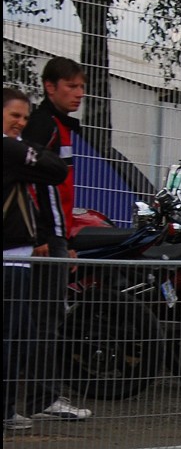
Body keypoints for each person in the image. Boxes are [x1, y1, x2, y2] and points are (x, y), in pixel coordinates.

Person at [23, 58, 92, 421]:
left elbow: (59, 191)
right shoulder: (43, 125)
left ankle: (37, 398)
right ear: (50, 87)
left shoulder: (58, 127)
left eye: (81, 87)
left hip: (56, 235)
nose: (79, 93)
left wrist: (67, 237)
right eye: (71, 86)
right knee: (43, 318)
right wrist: (43, 235)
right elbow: (32, 183)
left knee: (44, 317)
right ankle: (41, 399)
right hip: (45, 238)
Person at [4, 88, 70, 431]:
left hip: (17, 256)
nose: (21, 123)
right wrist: (32, 146)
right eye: (15, 115)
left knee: (23, 334)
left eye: (25, 117)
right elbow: (57, 168)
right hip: (10, 260)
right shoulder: (8, 148)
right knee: (14, 336)